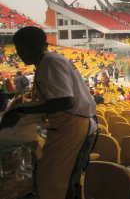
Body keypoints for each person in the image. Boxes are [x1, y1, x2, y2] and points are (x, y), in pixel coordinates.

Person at [0, 26, 97, 199]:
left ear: (33, 47)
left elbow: (65, 101)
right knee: (56, 179)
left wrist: (23, 110)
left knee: (60, 181)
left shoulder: (50, 62)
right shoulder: (47, 61)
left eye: (21, 48)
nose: (19, 53)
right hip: (67, 128)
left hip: (74, 128)